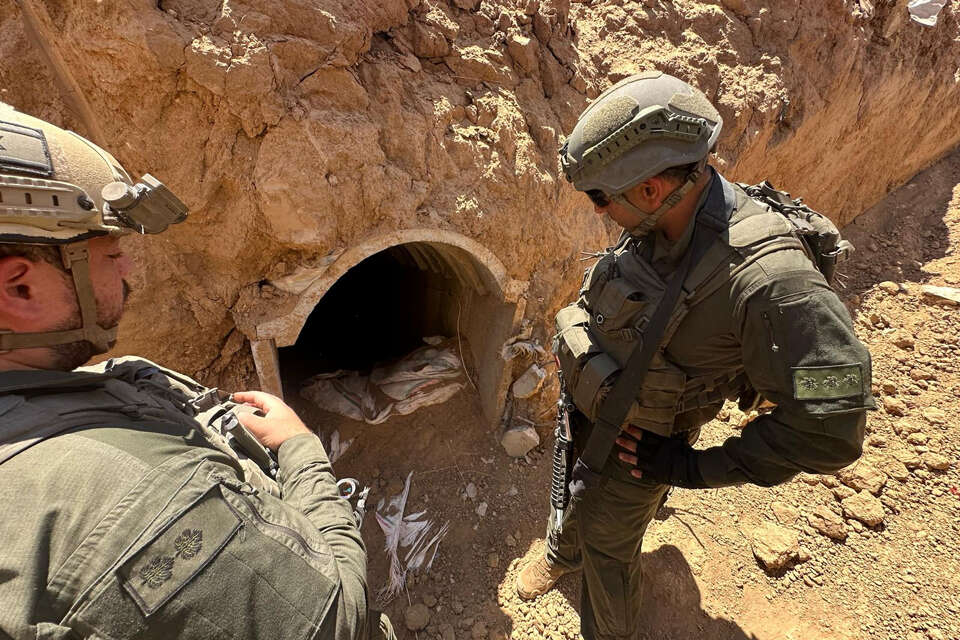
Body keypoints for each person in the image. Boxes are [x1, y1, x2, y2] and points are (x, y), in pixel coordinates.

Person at [0, 103, 394, 640]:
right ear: (20, 288)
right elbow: (339, 621)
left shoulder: (50, 403)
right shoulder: (140, 501)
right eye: (110, 253)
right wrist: (300, 450)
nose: (128, 266)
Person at [515, 71, 874, 639]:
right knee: (577, 494)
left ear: (651, 190)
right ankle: (564, 550)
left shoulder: (770, 283)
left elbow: (836, 416)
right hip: (597, 401)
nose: (601, 213)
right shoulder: (673, 212)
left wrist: (691, 468)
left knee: (610, 546)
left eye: (602, 198)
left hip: (644, 445)